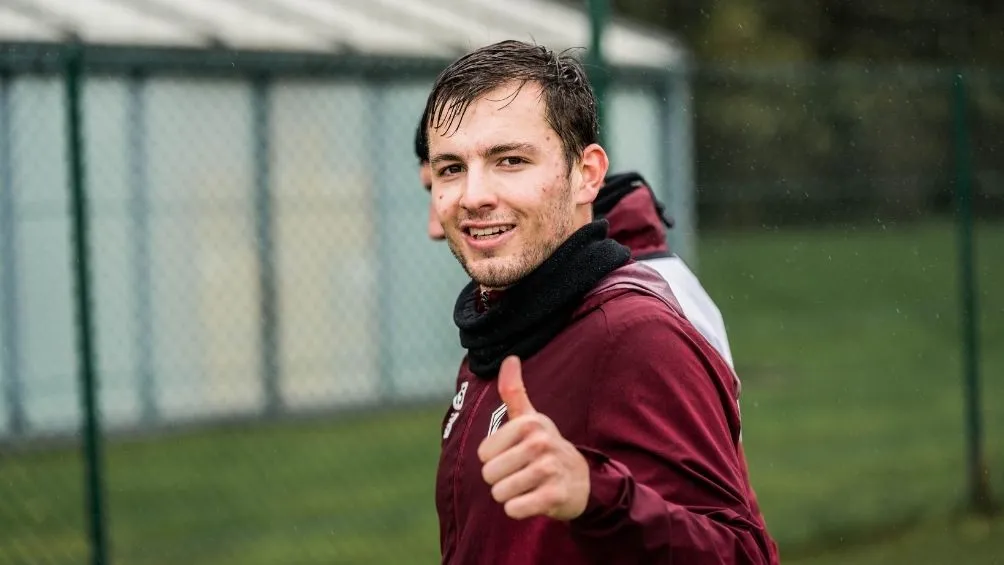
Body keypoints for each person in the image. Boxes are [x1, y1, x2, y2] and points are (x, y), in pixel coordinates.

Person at [422, 40, 778, 564]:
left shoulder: (635, 335)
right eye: (451, 169)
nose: (474, 195)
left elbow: (744, 555)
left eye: (510, 160)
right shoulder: (495, 332)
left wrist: (595, 494)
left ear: (587, 173)